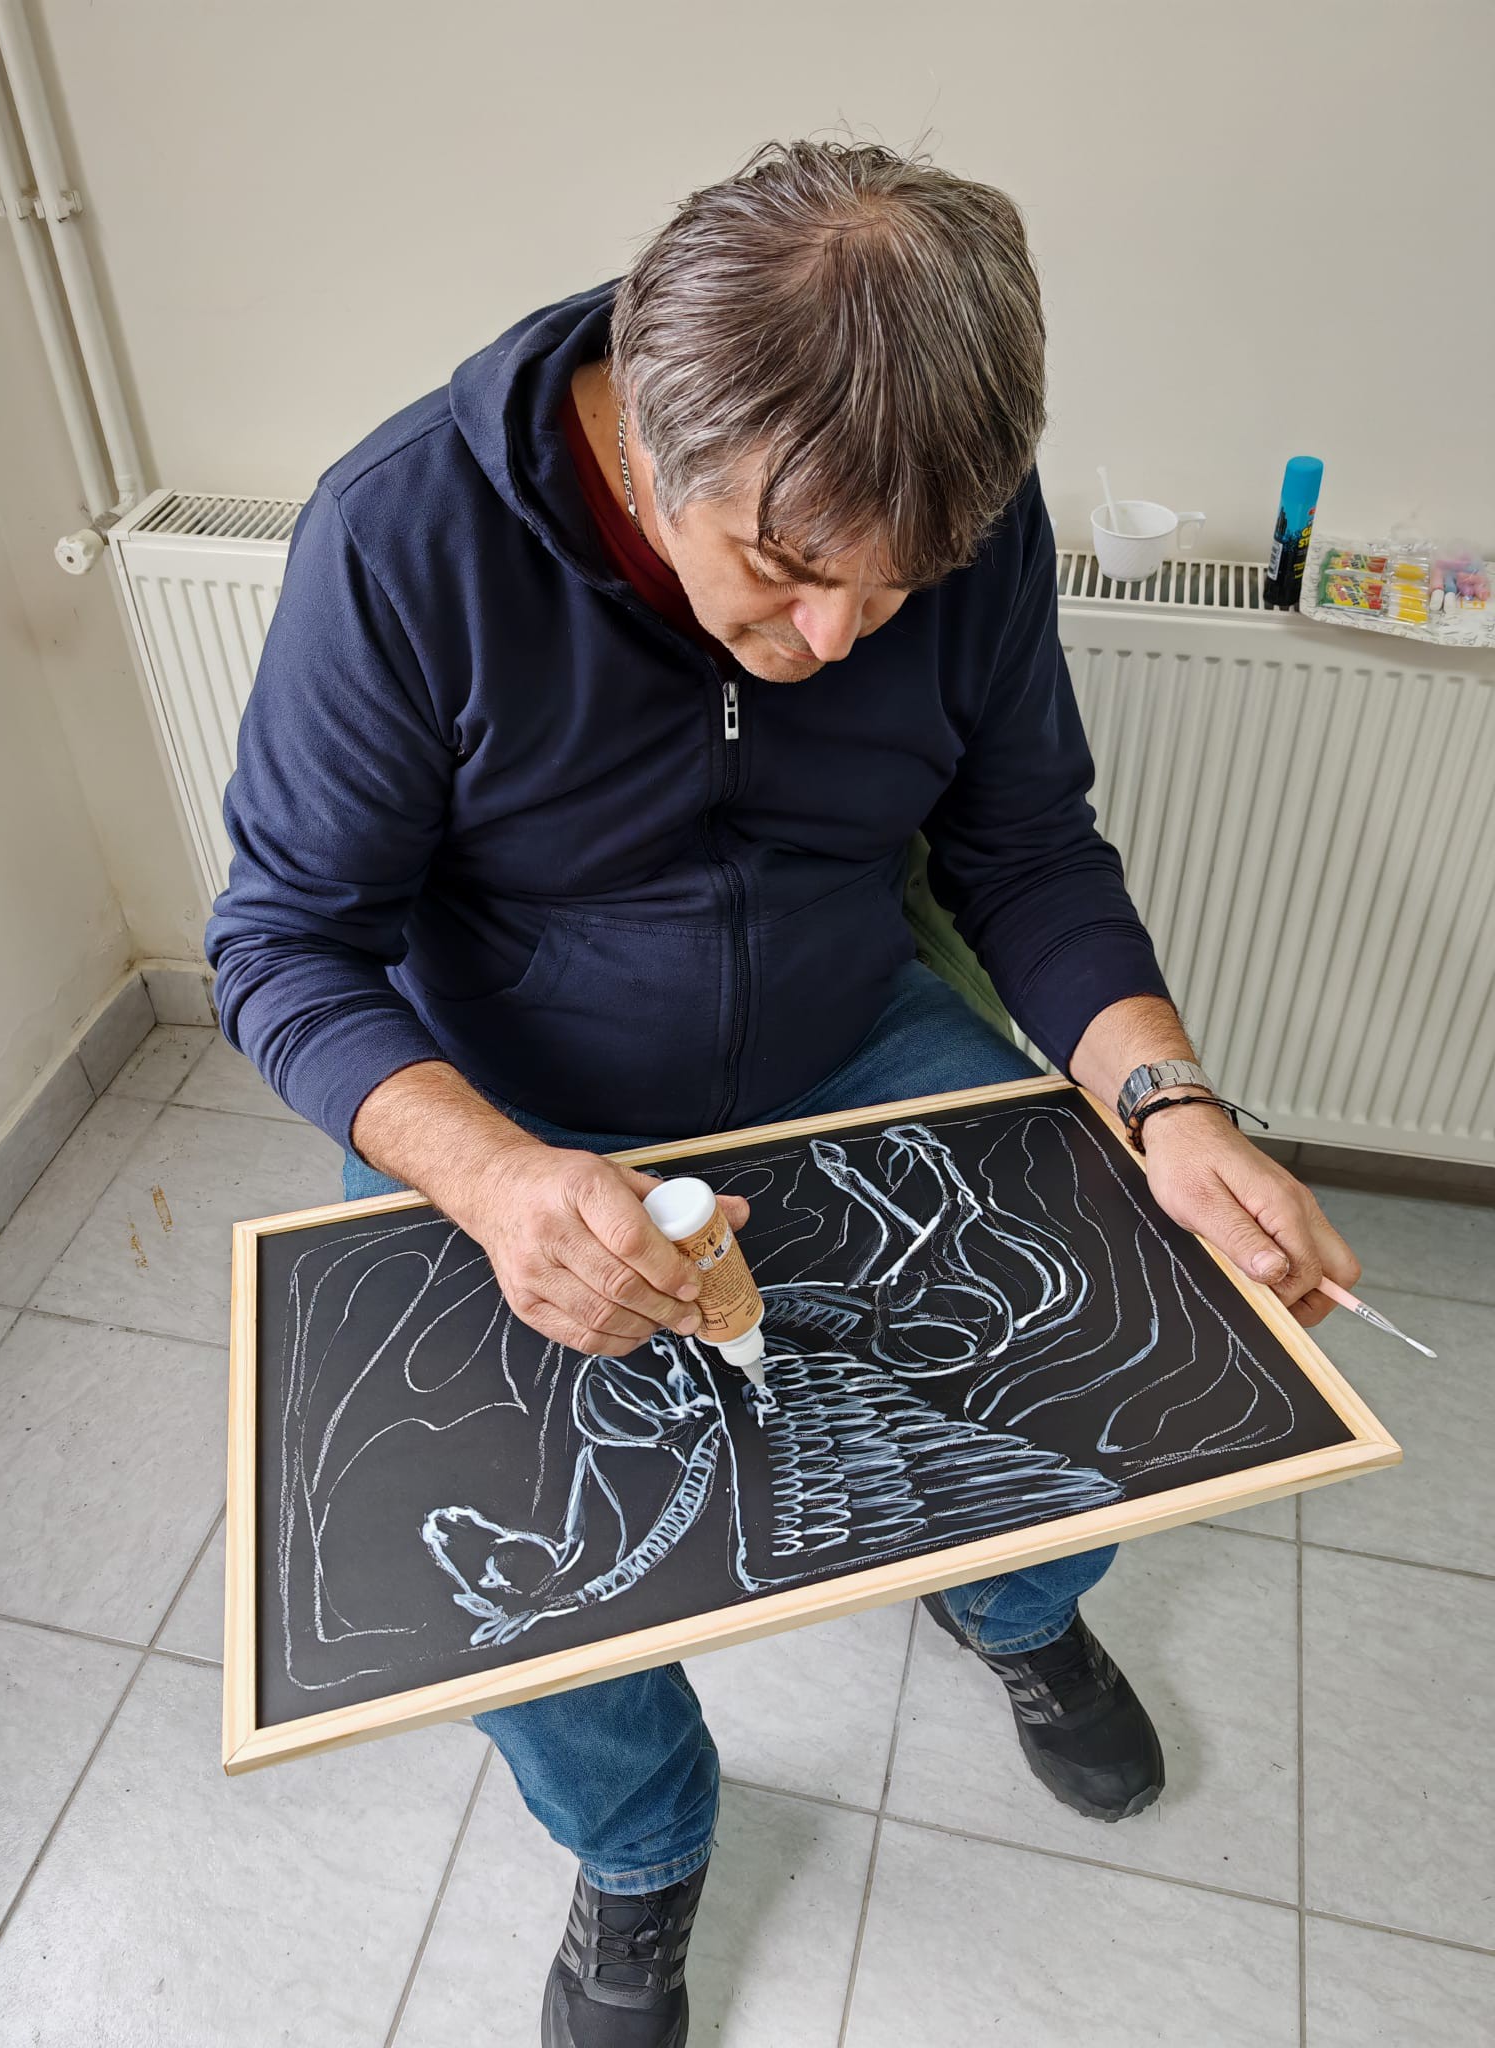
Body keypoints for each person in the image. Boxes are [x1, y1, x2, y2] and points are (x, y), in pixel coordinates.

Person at [208, 139, 1361, 2048]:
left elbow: (1026, 847)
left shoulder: (959, 519)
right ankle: (643, 1846)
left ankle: (1014, 1606)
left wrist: (1172, 1105)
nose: (839, 643)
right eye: (796, 572)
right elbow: (279, 949)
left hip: (847, 1025)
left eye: (898, 593)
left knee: (1098, 1331)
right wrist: (493, 1182)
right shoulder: (401, 537)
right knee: (491, 1534)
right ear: (648, 447)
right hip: (505, 1098)